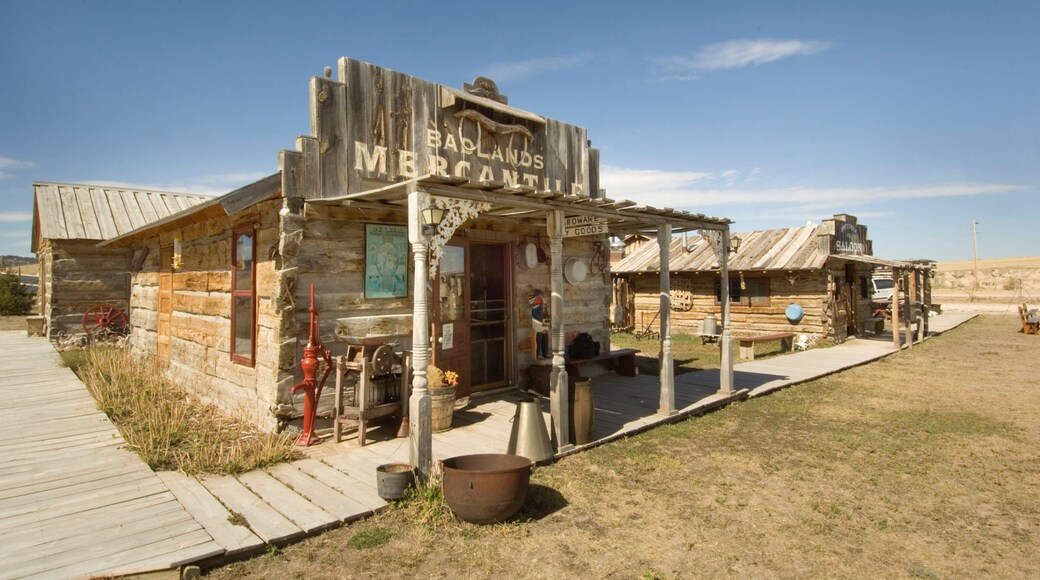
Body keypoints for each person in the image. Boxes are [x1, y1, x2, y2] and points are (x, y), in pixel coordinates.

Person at [529, 289, 550, 359]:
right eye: (540, 296)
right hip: (537, 319)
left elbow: (545, 310)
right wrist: (539, 300)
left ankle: (545, 353)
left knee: (545, 335)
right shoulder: (534, 300)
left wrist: (547, 322)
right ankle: (538, 354)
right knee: (538, 335)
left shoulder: (543, 302)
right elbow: (532, 304)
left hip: (544, 318)